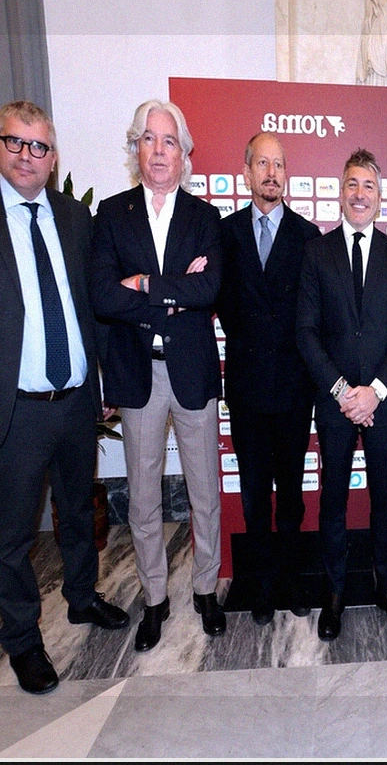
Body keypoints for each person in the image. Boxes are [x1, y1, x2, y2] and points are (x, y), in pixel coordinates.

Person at [0, 100, 129, 695]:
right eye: (15, 142)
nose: (26, 155)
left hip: (76, 401)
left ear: (53, 157)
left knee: (78, 512)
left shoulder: (73, 217)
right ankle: (22, 640)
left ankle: (82, 598)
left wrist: (104, 382)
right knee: (11, 534)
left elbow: (92, 305)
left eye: (39, 147)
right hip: (10, 409)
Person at [91, 100, 226, 652]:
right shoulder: (111, 213)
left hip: (192, 373)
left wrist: (143, 284)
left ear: (184, 153)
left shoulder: (205, 218)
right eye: (148, 139)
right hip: (137, 373)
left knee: (205, 493)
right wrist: (173, 291)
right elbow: (103, 296)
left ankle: (205, 591)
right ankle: (154, 599)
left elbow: (209, 289)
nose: (159, 150)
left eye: (169, 140)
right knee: (143, 498)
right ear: (136, 149)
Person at [297, 148, 387, 641]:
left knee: (386, 499)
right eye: (352, 184)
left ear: (380, 196)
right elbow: (306, 332)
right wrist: (346, 392)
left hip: (383, 403)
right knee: (334, 500)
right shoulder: (316, 253)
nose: (360, 194)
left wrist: (377, 392)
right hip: (336, 403)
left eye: (368, 185)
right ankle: (335, 592)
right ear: (340, 192)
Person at [218, 132, 320, 624]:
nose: (272, 173)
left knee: (292, 494)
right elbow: (221, 302)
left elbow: (314, 313)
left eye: (279, 164)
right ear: (247, 173)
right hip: (246, 388)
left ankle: (292, 578)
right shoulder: (225, 233)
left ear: (286, 174)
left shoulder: (308, 236)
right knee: (255, 494)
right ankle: (260, 585)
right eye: (263, 163)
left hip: (295, 389)